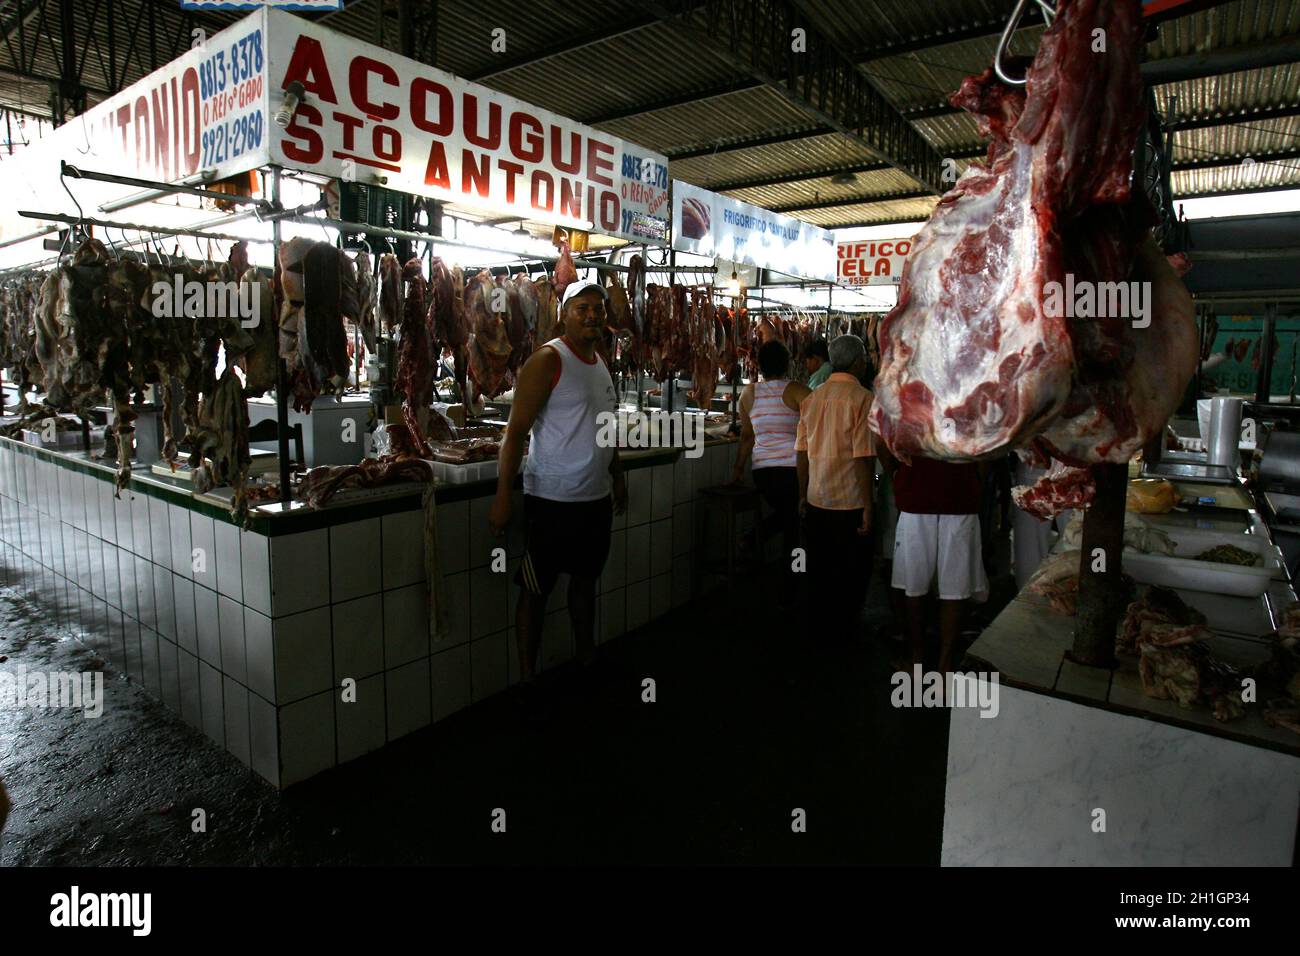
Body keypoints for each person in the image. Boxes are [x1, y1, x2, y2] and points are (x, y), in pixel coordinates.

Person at [489, 280, 627, 692]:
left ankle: (586, 656)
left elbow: (606, 429)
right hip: (551, 501)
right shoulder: (548, 361)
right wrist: (502, 499)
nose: (592, 315)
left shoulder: (600, 363)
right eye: (582, 308)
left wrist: (617, 476)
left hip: (594, 499)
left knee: (586, 584)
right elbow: (514, 435)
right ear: (564, 313)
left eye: (598, 310)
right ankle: (528, 678)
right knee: (535, 590)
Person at [876, 449, 988, 675]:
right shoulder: (973, 410)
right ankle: (944, 667)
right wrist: (975, 478)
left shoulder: (907, 410)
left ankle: (916, 661)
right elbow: (987, 446)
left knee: (914, 586)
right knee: (954, 589)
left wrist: (897, 474)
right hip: (959, 495)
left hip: (917, 494)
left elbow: (880, 439)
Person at [795, 334, 875, 638]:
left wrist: (802, 495)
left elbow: (801, 453)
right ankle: (845, 630)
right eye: (865, 358)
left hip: (817, 499)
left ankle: (821, 629)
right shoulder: (862, 399)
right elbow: (863, 458)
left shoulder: (811, 399)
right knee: (852, 571)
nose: (866, 362)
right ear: (856, 362)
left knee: (820, 569)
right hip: (850, 503)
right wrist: (868, 505)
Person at [731, 340, 811, 601]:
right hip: (793, 471)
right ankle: (793, 582)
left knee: (788, 517)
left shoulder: (748, 394)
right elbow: (818, 426)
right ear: (787, 364)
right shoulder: (799, 391)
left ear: (759, 365)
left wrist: (738, 469)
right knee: (794, 525)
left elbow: (746, 436)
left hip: (763, 473)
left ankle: (753, 540)